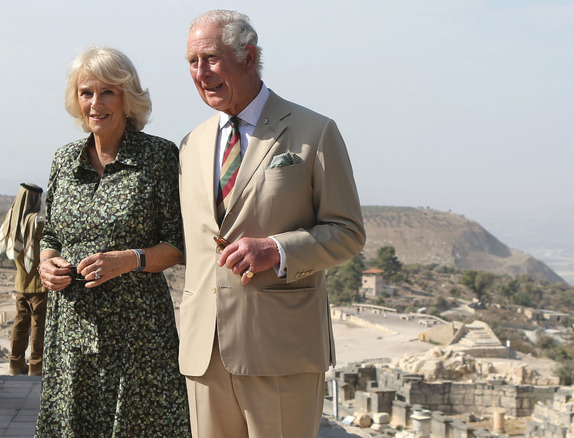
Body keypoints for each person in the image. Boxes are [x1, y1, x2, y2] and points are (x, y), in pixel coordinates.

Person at [178, 10, 367, 437]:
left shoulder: (314, 131)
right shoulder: (192, 144)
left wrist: (278, 250)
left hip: (281, 349)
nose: (200, 72)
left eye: (210, 58)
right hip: (203, 352)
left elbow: (349, 232)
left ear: (249, 57)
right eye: (192, 61)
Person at [34, 46, 191, 437]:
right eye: (87, 92)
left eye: (108, 92)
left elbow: (179, 242)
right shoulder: (64, 161)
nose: (95, 103)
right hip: (70, 331)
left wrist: (130, 259)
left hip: (137, 336)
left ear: (127, 97)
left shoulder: (158, 156)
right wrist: (47, 261)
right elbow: (50, 232)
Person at [0, 183, 47, 376]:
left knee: (20, 323)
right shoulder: (37, 223)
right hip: (39, 284)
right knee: (38, 325)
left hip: (21, 283)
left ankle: (15, 363)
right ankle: (36, 364)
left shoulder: (12, 221)